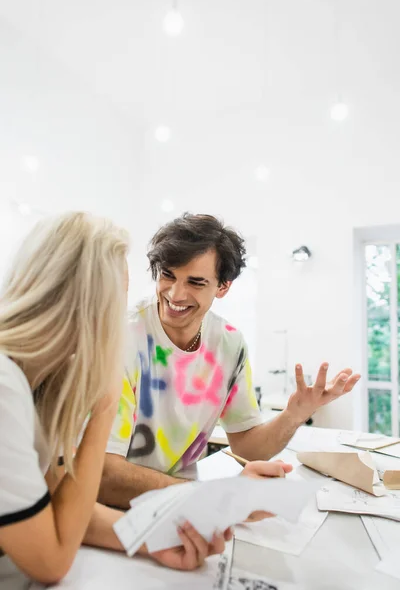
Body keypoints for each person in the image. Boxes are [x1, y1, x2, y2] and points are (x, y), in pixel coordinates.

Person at [0, 212, 236, 589]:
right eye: (117, 303)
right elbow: (51, 561)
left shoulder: (39, 380)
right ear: (84, 305)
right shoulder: (4, 386)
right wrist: (105, 403)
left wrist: (150, 537)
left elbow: (55, 511)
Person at [99, 213, 360, 509]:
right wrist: (210, 497)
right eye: (168, 275)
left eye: (195, 282)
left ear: (223, 287)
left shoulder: (228, 344)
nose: (175, 294)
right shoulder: (121, 337)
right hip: (113, 513)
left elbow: (248, 448)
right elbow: (104, 476)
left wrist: (294, 415)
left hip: (179, 507)